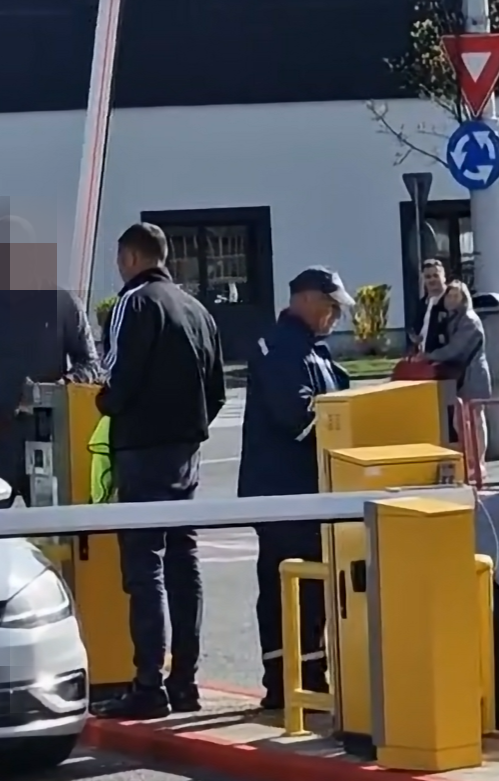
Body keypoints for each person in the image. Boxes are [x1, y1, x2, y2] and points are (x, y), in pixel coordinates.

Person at [93, 223, 226, 719]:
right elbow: (217, 390)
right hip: (185, 450)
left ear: (130, 257)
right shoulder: (196, 309)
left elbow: (116, 377)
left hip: (141, 449)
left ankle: (148, 684)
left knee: (144, 565)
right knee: (182, 561)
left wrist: (107, 404)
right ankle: (184, 680)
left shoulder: (135, 303)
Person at [239, 267, 352, 712]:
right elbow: (301, 417)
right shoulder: (280, 349)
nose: (335, 316)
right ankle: (286, 680)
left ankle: (309, 675)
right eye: (330, 306)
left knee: (312, 590)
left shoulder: (312, 351)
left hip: (309, 492)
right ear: (305, 299)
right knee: (287, 587)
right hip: (282, 492)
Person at [0, 213, 100, 503]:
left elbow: (90, 364)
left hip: (50, 442)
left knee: (54, 541)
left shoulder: (60, 302)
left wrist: (59, 387)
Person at [414, 280, 491, 444]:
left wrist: (429, 356)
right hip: (461, 377)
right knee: (460, 421)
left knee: (475, 419)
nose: (451, 299)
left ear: (464, 299)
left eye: (456, 296)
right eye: (449, 295)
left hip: (473, 376)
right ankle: (469, 455)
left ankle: (479, 460)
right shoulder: (452, 319)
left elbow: (455, 349)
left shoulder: (469, 320)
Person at [406, 258, 449, 354]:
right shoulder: (422, 304)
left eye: (436, 275)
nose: (432, 280)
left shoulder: (451, 301)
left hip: (445, 360)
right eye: (428, 277)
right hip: (424, 359)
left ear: (444, 277)